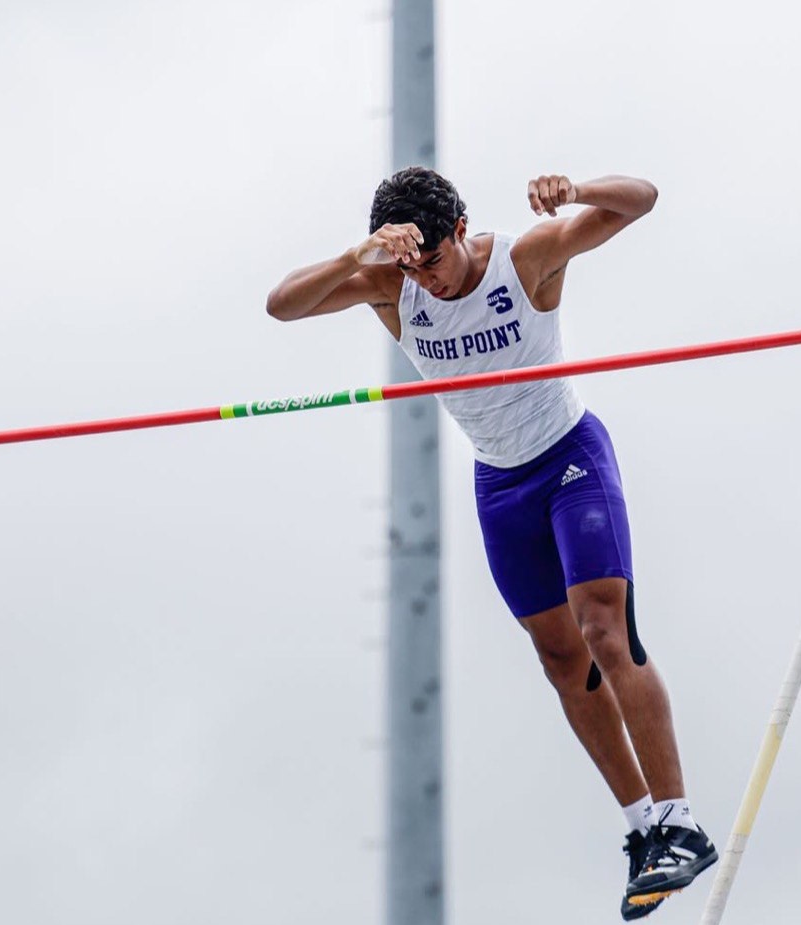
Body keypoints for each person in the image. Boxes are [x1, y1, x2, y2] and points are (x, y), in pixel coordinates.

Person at [266, 167, 717, 919]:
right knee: (560, 658)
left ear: (461, 228)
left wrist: (574, 189)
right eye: (411, 264)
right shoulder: (391, 286)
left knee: (603, 627)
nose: (427, 280)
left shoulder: (524, 257)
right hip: (501, 486)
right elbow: (281, 306)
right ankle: (644, 828)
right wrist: (360, 257)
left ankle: (680, 818)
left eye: (435, 259)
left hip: (570, 456)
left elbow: (642, 200)